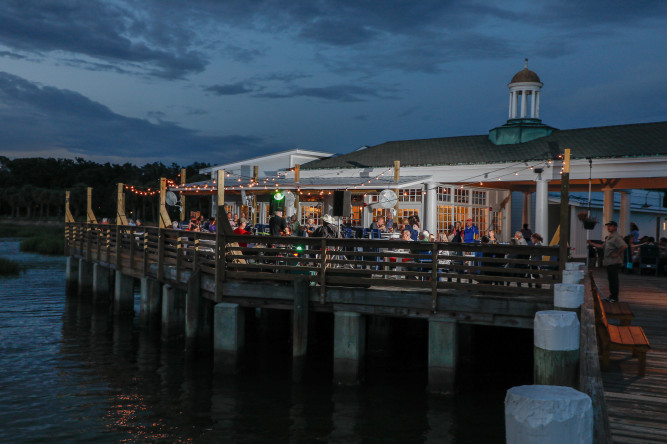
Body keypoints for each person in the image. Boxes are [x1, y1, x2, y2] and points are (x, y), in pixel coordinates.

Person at [587, 221, 628, 303]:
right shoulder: (609, 237)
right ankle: (611, 296)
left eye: (610, 226)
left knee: (614, 280)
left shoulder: (616, 237)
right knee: (611, 279)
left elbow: (624, 246)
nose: (608, 227)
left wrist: (617, 254)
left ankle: (614, 298)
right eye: (608, 226)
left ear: (615, 227)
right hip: (609, 262)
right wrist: (591, 243)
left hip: (614, 262)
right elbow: (602, 246)